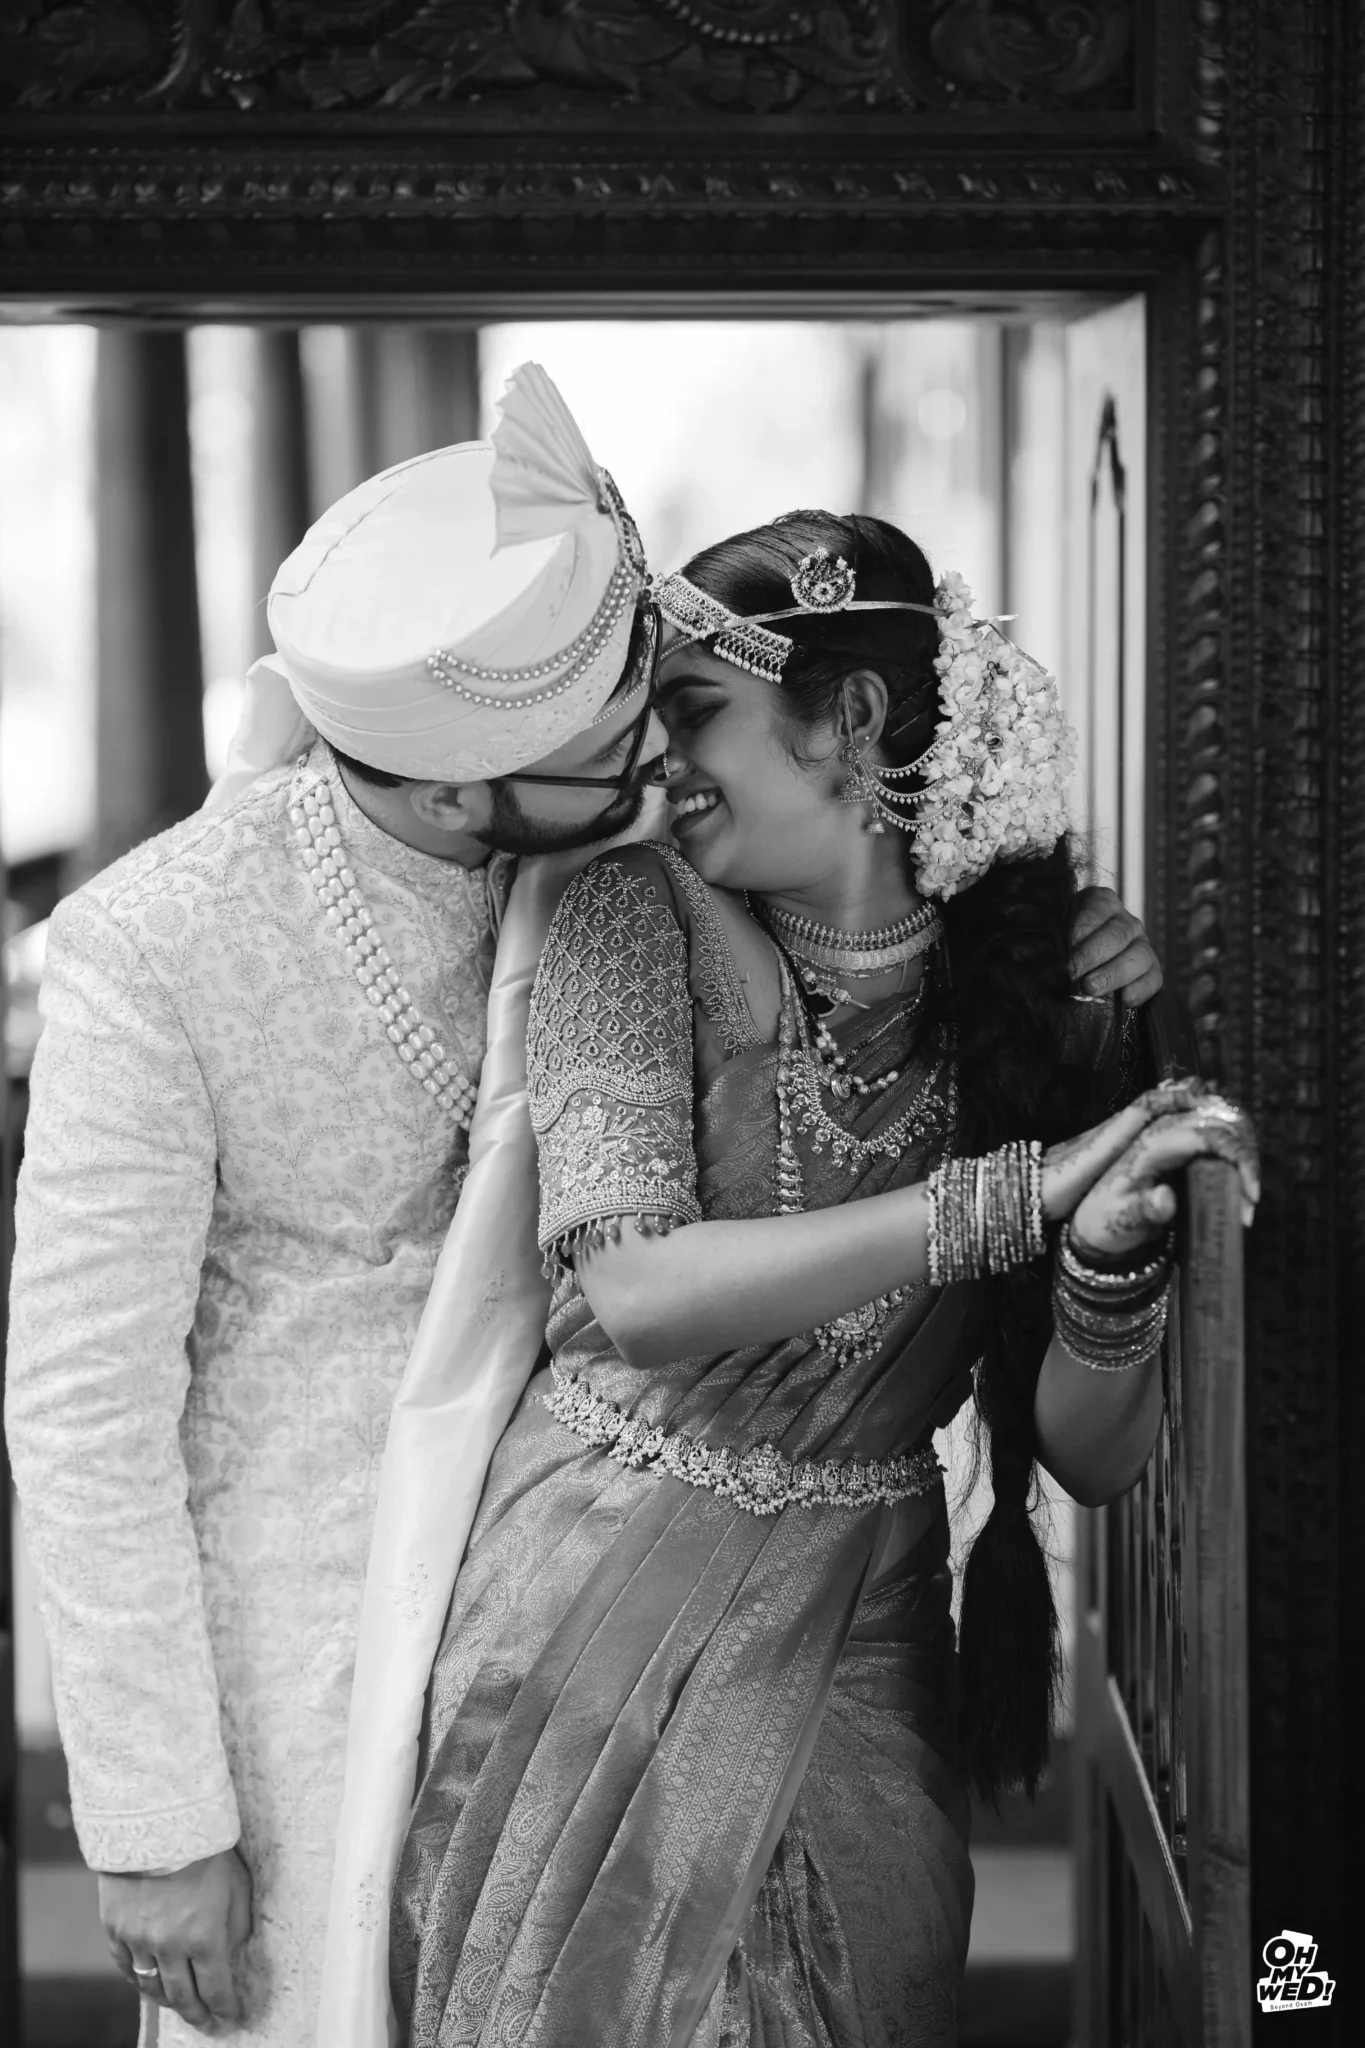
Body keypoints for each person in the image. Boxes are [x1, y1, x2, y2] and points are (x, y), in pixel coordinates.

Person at [5, 366, 1155, 2047]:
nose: (652, 752)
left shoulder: (675, 865)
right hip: (320, 1647)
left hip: (765, 1601)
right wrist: (154, 1818)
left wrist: (1059, 968)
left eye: (666, 699)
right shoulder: (170, 943)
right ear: (462, 790)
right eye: (625, 716)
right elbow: (82, 1407)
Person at [387, 513, 1257, 2046]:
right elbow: (639, 1290)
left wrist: (1106, 1260)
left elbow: (1094, 1460)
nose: (662, 762)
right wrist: (1010, 1198)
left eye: (694, 709)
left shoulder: (1045, 996)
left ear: (850, 718)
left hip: (869, 1617)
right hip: (591, 1599)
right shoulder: (631, 918)